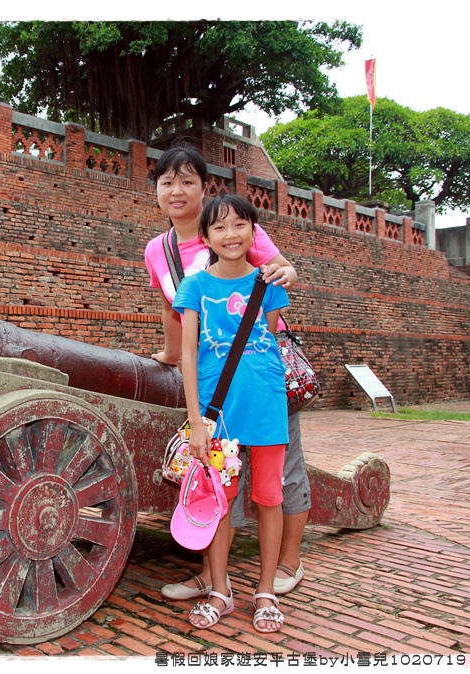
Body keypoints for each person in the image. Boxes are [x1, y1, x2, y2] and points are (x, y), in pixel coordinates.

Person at [144, 144, 309, 601]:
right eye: (167, 182)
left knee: (284, 470)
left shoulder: (230, 225)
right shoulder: (158, 249)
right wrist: (170, 353)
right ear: (156, 191)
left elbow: (281, 269)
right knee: (217, 479)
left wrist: (289, 273)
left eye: (187, 181)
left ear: (203, 188)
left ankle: (287, 562)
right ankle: (215, 576)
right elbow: (169, 306)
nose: (177, 191)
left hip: (261, 368)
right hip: (215, 376)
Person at [172, 193, 289, 632]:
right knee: (217, 501)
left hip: (266, 404)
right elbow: (188, 355)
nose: (231, 234)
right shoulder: (195, 287)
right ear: (205, 237)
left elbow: (269, 338)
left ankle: (265, 591)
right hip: (216, 412)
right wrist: (196, 422)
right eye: (219, 227)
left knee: (269, 498)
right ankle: (220, 589)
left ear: (254, 232)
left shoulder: (268, 283)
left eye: (240, 224)